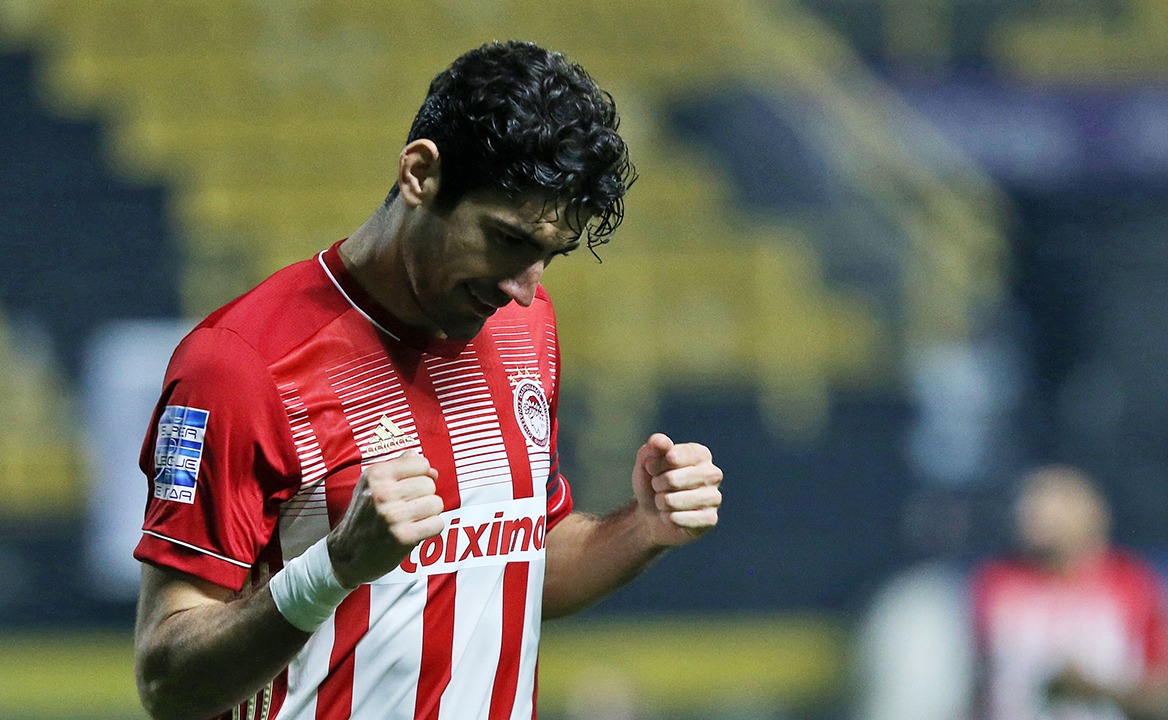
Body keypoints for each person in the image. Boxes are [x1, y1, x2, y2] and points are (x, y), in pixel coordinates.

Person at [131, 40, 724, 720]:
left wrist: (642, 528)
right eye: (507, 240)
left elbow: (510, 569)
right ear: (420, 173)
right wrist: (334, 567)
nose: (524, 288)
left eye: (548, 257)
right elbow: (167, 684)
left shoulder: (523, 329)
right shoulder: (239, 367)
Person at [969, 465, 1168, 720]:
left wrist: (1092, 689)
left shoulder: (1131, 582)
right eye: (1028, 504)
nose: (1032, 513)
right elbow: (978, 680)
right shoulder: (996, 581)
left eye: (1052, 504)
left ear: (1091, 514)